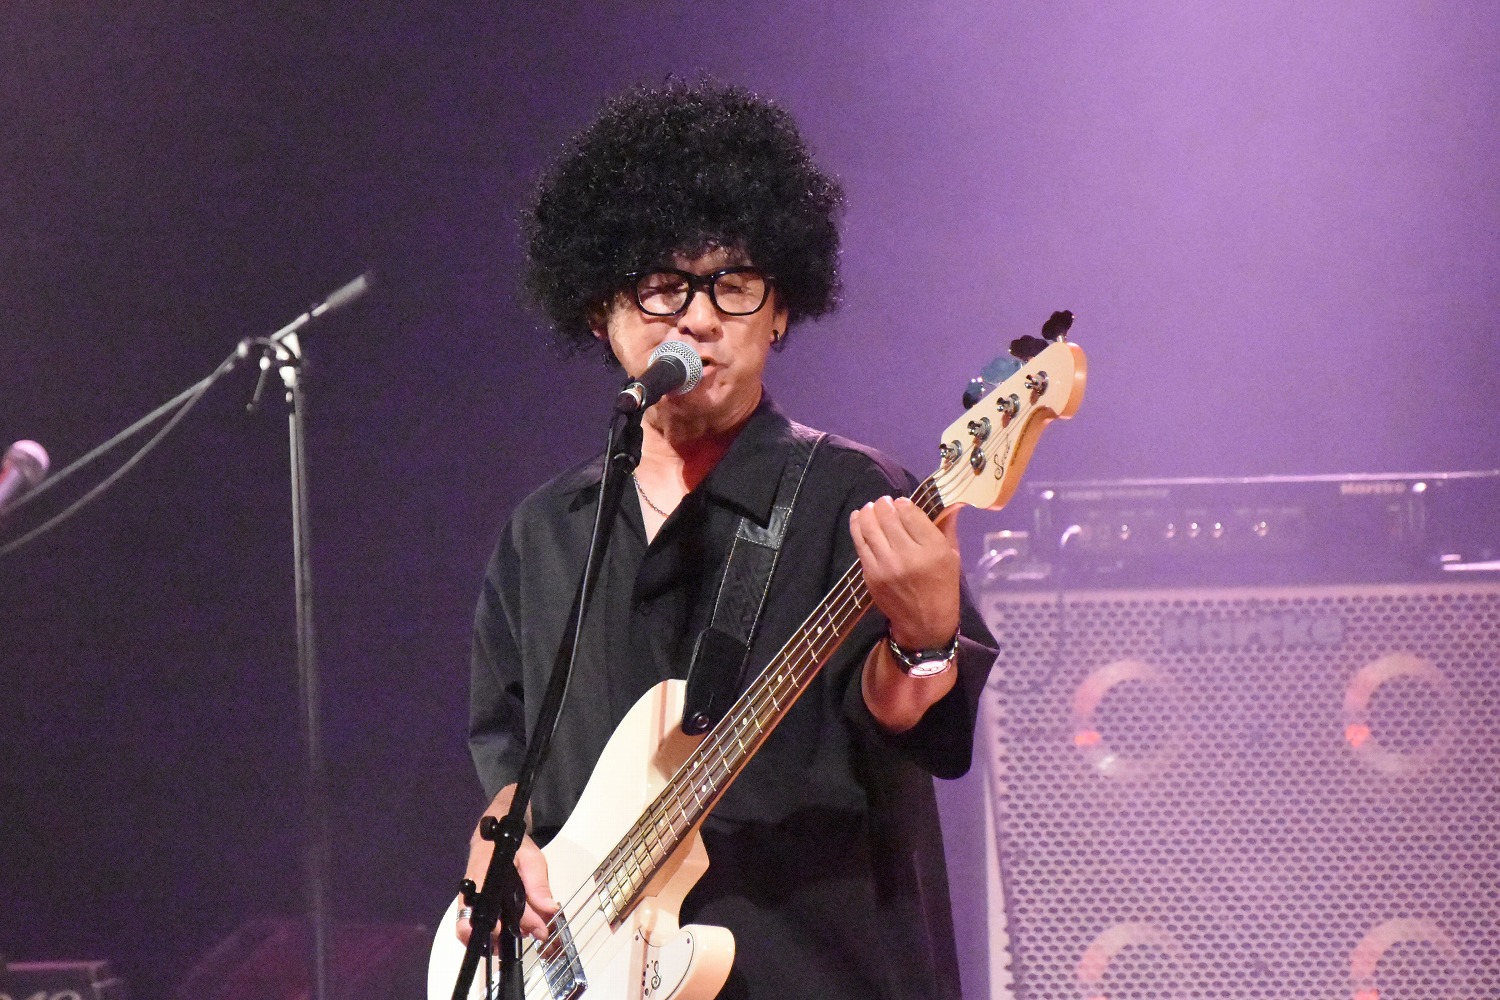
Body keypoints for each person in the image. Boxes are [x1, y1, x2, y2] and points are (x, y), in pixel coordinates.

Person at [460, 80, 998, 1000]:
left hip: (812, 972)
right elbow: (512, 755)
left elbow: (906, 717)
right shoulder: (544, 532)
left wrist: (924, 639)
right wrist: (498, 845)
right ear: (601, 312)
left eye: (734, 286)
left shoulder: (854, 493)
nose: (699, 318)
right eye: (661, 287)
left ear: (780, 311)